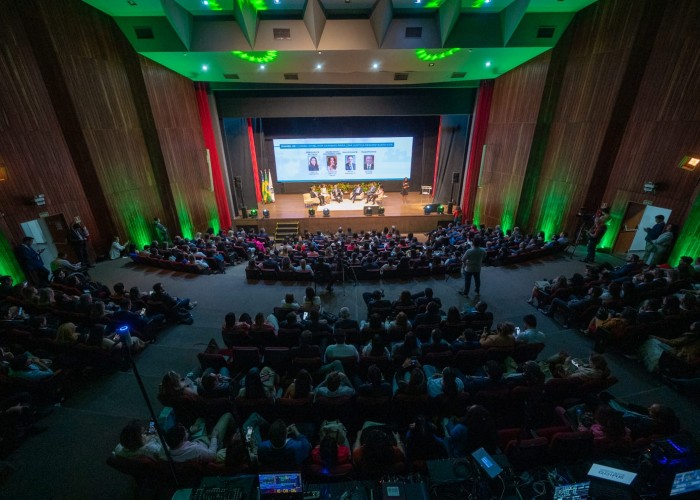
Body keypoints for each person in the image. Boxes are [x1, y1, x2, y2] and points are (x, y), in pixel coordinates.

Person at [164, 412, 234, 463]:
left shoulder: (170, 450)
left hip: (197, 440)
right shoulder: (195, 450)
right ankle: (235, 433)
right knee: (227, 415)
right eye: (185, 431)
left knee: (200, 419)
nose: (186, 430)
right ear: (182, 439)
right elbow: (212, 455)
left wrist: (190, 431)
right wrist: (214, 437)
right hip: (210, 444)